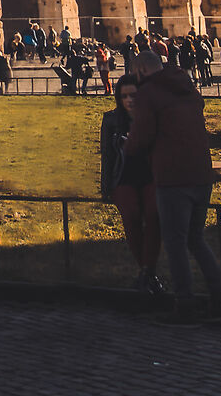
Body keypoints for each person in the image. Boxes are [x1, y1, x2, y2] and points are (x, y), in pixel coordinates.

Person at [122, 52, 221, 326]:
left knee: (175, 243)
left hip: (173, 176)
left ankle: (185, 305)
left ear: (141, 71)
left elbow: (142, 136)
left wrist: (128, 147)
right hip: (201, 173)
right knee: (196, 239)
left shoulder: (149, 93)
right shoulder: (187, 87)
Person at [99, 77, 162, 297]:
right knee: (131, 215)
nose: (129, 100)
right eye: (124, 96)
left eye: (133, 95)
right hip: (124, 177)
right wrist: (106, 187)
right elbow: (107, 156)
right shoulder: (111, 120)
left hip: (151, 176)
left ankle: (146, 273)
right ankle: (148, 273)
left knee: (154, 215)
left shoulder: (153, 117)